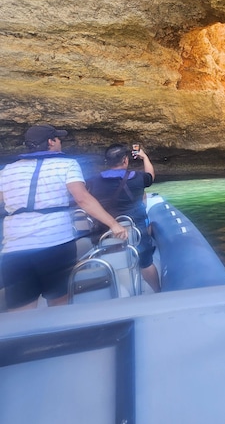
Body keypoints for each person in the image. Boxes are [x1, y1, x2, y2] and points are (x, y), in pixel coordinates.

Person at [0, 124, 128, 311]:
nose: (60, 142)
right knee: (59, 303)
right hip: (55, 241)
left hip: (14, 247)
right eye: (58, 138)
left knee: (21, 310)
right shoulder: (67, 164)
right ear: (51, 142)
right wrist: (113, 224)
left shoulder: (7, 170)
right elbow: (82, 198)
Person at [87, 143, 160, 293]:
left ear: (107, 162)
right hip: (135, 230)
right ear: (126, 160)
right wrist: (144, 157)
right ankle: (158, 292)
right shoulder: (138, 178)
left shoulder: (93, 181)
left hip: (106, 231)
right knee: (146, 263)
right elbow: (150, 177)